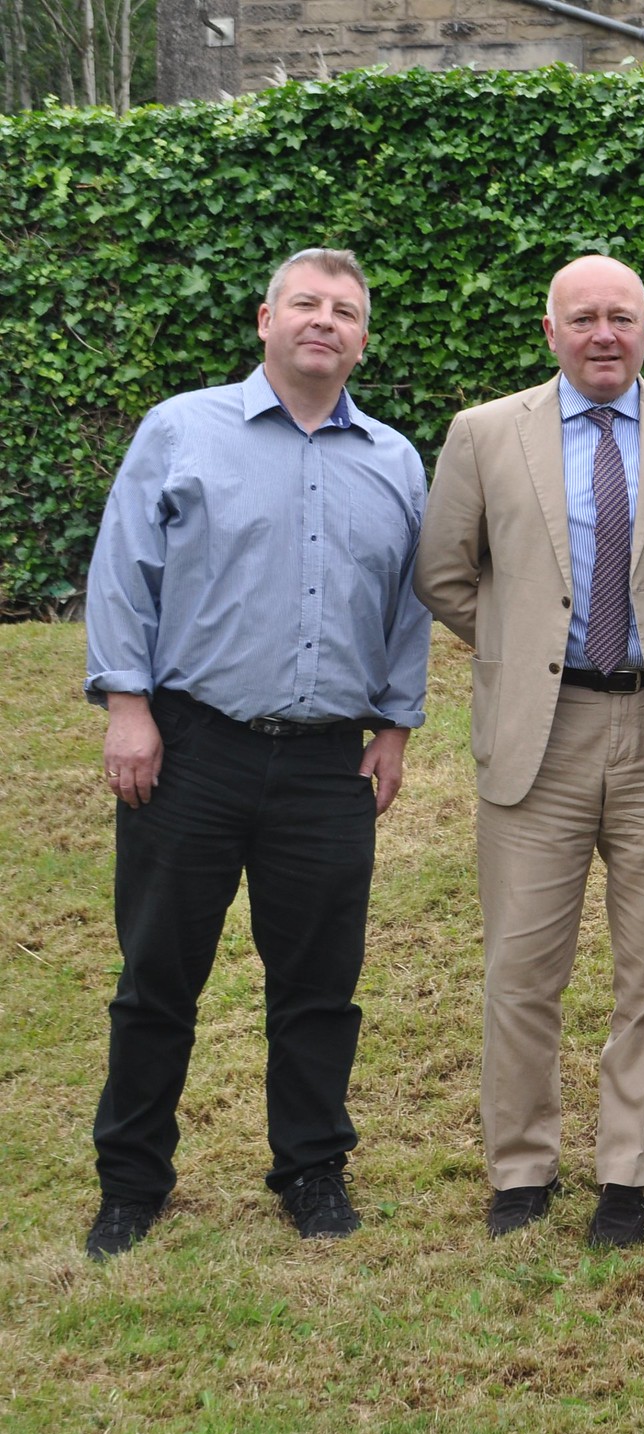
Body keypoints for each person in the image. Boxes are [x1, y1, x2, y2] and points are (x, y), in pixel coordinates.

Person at [82, 247, 430, 1259]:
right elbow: (123, 572)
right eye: (306, 304)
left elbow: (405, 608)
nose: (325, 321)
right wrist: (127, 709)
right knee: (158, 974)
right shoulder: (181, 431)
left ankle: (312, 1168)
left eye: (346, 311)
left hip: (330, 762)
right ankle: (132, 1181)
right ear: (266, 320)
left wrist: (395, 726)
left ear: (363, 337)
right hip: (190, 747)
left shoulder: (394, 461)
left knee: (320, 981)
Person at [414, 255, 644, 1248]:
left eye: (622, 317)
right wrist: (521, 652)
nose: (604, 333)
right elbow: (443, 571)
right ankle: (521, 1166)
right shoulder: (482, 434)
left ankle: (630, 1171)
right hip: (537, 738)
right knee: (521, 966)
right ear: (550, 331)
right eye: (582, 318)